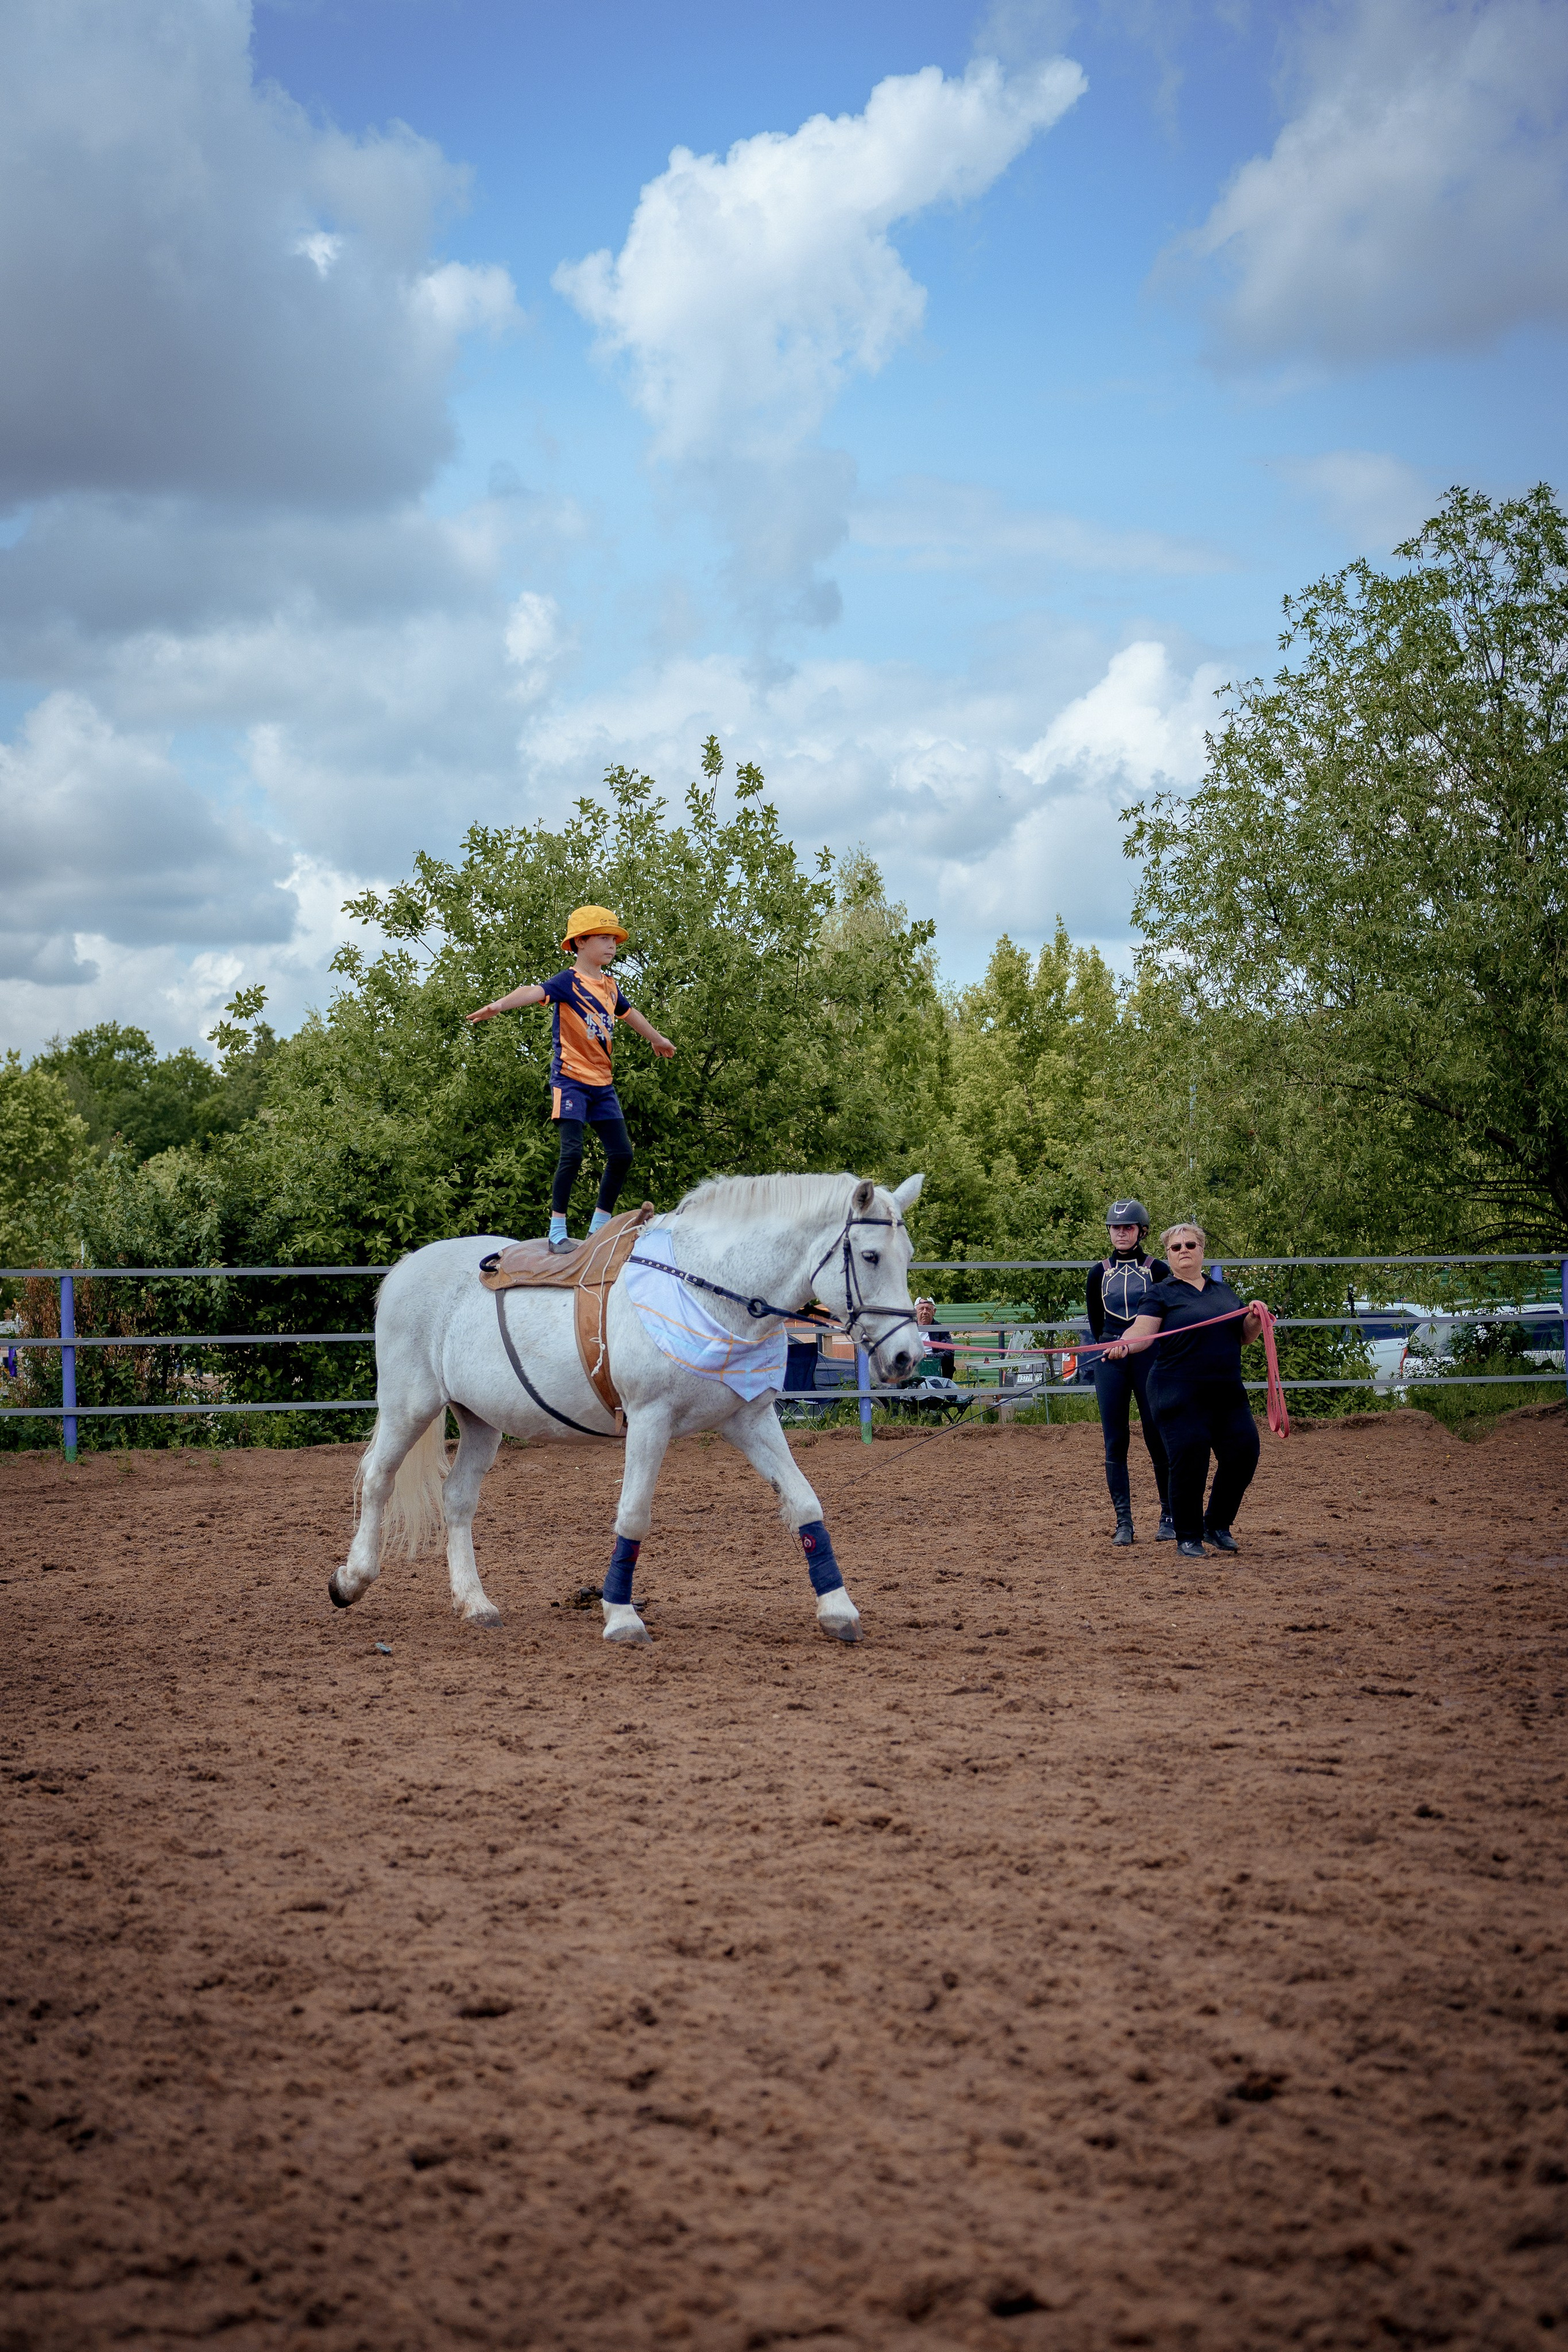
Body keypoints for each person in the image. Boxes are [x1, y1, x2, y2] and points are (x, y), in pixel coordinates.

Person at [467, 904, 675, 1252]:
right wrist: (499, 1005)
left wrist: (657, 1038)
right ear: (580, 942)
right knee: (573, 1154)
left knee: (622, 1154)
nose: (612, 945)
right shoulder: (569, 982)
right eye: (604, 938)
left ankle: (599, 1226)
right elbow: (533, 991)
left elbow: (629, 1014)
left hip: (602, 1083)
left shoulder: (609, 986)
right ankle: (557, 1230)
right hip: (571, 1080)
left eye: (614, 939)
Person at [1107, 1223, 1269, 1561]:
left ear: (1202, 1251)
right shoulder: (1161, 1293)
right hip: (1176, 1390)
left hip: (1226, 1392)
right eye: (1176, 1247)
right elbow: (1144, 1331)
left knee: (1244, 1454)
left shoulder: (1224, 1293)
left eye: (1190, 1245)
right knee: (1190, 1459)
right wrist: (1125, 1344)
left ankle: (1217, 1525)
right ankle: (1189, 1535)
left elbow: (1243, 1336)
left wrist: (1256, 1317)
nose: (1184, 1251)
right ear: (1168, 1253)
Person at [1087, 1199, 1173, 1545]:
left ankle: (1169, 1514)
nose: (1121, 1233)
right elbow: (1096, 1324)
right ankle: (1124, 1520)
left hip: (1149, 1357)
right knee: (1115, 1438)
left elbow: (1167, 1318)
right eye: (1116, 1228)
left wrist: (1141, 1345)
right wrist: (1112, 1345)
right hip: (1111, 1359)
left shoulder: (1159, 1271)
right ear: (1109, 1231)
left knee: (1157, 1434)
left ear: (1141, 1231)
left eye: (1128, 1227)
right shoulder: (1098, 1273)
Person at [914, 1297, 955, 1380]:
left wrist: (928, 1356)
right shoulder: (908, 1328)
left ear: (934, 1312)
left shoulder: (940, 1330)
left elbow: (949, 1353)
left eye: (928, 1309)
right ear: (915, 1312)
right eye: (921, 1309)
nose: (925, 1312)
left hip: (934, 1370)